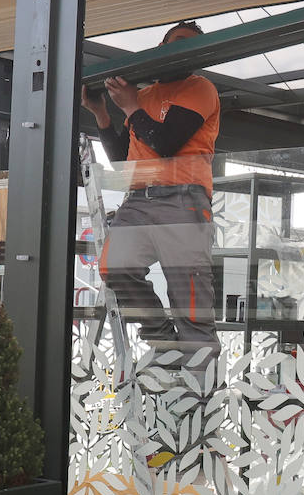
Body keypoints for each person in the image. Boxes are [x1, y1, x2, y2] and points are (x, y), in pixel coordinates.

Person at [80, 20, 222, 363]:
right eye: (176, 43)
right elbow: (124, 162)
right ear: (162, 47)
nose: (182, 50)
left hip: (183, 198)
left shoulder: (200, 88)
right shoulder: (143, 96)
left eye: (190, 45)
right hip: (140, 198)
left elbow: (166, 143)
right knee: (114, 267)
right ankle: (165, 345)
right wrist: (102, 114)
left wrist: (130, 107)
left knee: (189, 301)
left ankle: (202, 401)